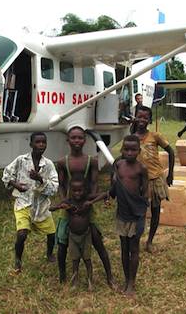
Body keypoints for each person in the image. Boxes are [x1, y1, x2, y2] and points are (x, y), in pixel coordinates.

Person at [55, 126, 113, 286]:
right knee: (62, 243)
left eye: (80, 138)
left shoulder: (92, 161)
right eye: (73, 138)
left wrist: (90, 202)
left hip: (87, 205)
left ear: (85, 140)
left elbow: (94, 184)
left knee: (97, 241)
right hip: (69, 207)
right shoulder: (62, 162)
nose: (77, 141)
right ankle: (62, 277)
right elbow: (61, 185)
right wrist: (64, 201)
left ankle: (110, 277)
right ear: (68, 140)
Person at [2, 132, 58, 273]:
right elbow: (6, 174)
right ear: (31, 144)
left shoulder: (49, 165)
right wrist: (16, 185)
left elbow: (54, 188)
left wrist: (40, 179)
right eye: (37, 142)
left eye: (43, 142)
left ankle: (50, 254)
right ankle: (18, 260)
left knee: (52, 234)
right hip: (23, 203)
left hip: (42, 206)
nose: (41, 145)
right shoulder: (21, 160)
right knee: (21, 234)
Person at [109, 135, 149, 297]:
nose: (130, 152)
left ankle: (131, 282)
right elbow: (113, 190)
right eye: (127, 149)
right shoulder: (118, 165)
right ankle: (126, 279)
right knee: (124, 248)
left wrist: (143, 214)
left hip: (136, 214)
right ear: (122, 150)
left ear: (139, 151)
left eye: (133, 150)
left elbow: (145, 192)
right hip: (122, 214)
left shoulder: (141, 169)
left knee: (134, 248)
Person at [133, 106, 174, 253]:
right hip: (138, 181)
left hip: (155, 178)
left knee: (155, 211)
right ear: (135, 117)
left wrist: (170, 174)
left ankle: (149, 241)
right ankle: (136, 240)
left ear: (149, 120)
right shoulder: (132, 138)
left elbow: (170, 151)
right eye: (139, 116)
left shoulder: (155, 136)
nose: (142, 120)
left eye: (145, 117)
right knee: (140, 212)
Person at [50, 180, 100, 290]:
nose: (77, 193)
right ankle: (75, 281)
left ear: (84, 190)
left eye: (80, 190)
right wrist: (60, 206)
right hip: (72, 236)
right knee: (75, 260)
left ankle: (90, 281)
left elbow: (104, 194)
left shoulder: (87, 200)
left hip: (86, 235)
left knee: (87, 259)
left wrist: (92, 202)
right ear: (70, 191)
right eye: (74, 191)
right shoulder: (68, 202)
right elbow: (51, 208)